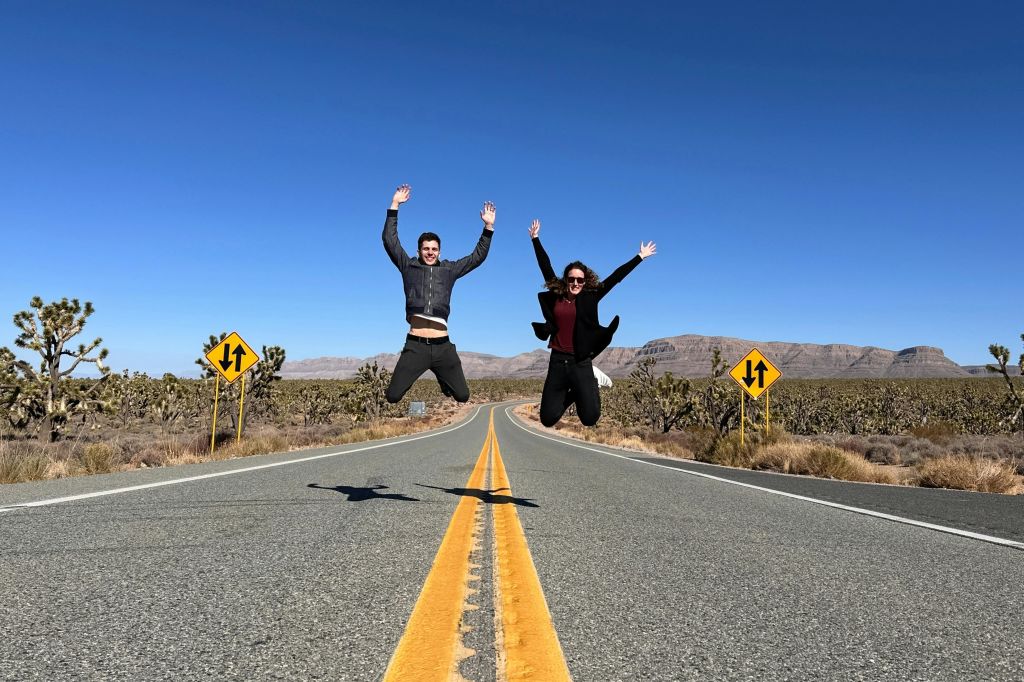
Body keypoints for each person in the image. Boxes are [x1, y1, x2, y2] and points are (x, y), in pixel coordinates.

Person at [528, 219, 656, 426]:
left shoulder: (590, 297)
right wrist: (535, 239)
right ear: (566, 280)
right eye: (571, 279)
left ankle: (589, 384)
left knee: (590, 418)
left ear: (585, 282)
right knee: (547, 419)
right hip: (558, 361)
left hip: (580, 362)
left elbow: (615, 278)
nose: (575, 283)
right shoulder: (557, 294)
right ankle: (573, 394)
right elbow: (545, 265)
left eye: (580, 280)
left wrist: (639, 257)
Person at [382, 184, 496, 403]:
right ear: (419, 251)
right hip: (415, 345)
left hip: (443, 346)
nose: (430, 252)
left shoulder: (449, 270)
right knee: (393, 396)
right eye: (426, 249)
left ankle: (443, 378)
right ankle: (428, 373)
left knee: (462, 396)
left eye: (434, 249)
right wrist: (395, 205)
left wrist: (488, 228)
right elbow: (390, 241)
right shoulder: (409, 266)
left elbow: (476, 258)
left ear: (440, 251)